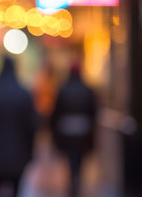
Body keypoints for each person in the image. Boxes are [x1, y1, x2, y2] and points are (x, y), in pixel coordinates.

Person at [0, 56, 38, 197]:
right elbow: (31, 125)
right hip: (19, 150)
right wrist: (31, 149)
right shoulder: (24, 93)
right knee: (17, 187)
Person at [50, 62, 97, 197]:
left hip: (66, 132)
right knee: (79, 158)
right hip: (83, 132)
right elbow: (93, 112)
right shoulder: (87, 90)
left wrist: (54, 131)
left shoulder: (63, 89)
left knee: (71, 158)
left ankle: (73, 179)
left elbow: (56, 112)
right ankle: (75, 178)